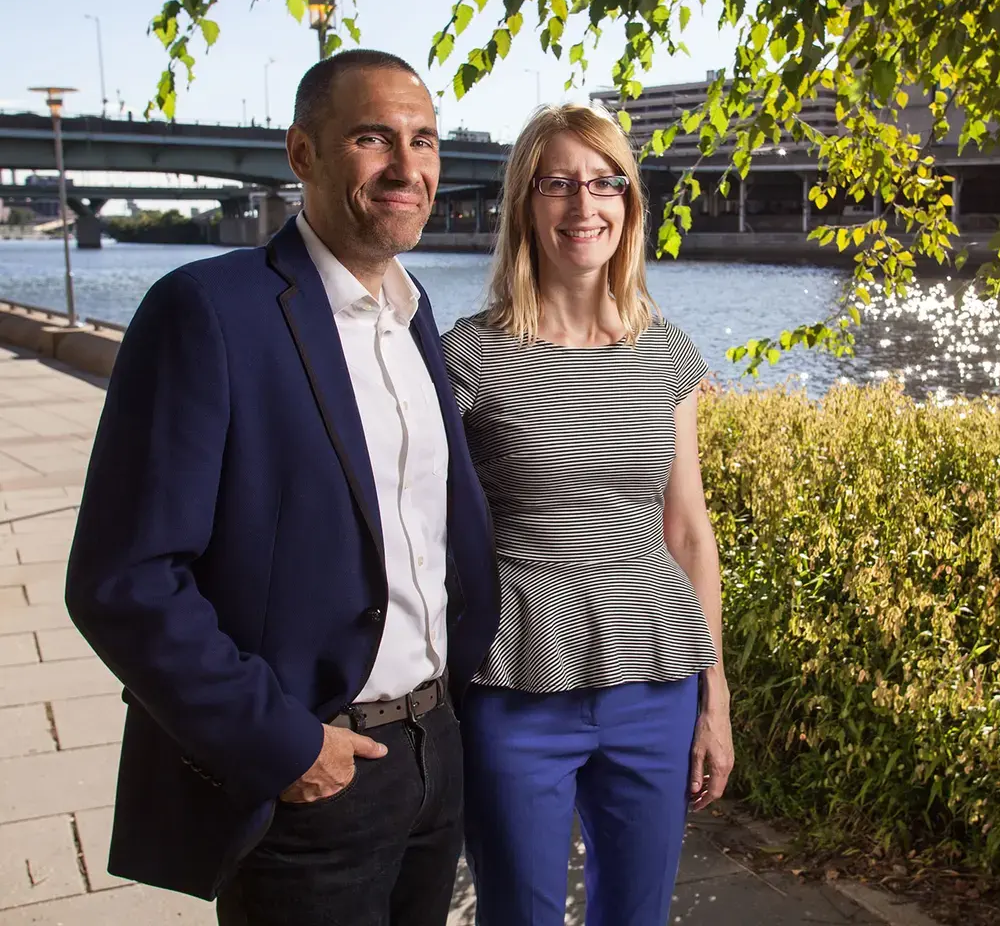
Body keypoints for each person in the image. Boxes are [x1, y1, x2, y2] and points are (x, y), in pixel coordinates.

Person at [64, 49, 498, 926]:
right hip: (313, 773)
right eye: (374, 138)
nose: (407, 169)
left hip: (434, 755)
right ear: (303, 154)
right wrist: (284, 746)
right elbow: (125, 581)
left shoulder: (415, 326)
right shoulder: (209, 311)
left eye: (424, 141)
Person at [440, 102, 735, 926]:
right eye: (559, 183)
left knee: (636, 917)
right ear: (525, 204)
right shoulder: (465, 356)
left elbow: (687, 532)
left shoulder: (664, 351)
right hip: (513, 684)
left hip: (656, 680)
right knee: (519, 915)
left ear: (629, 205)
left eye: (606, 182)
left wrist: (715, 700)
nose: (584, 204)